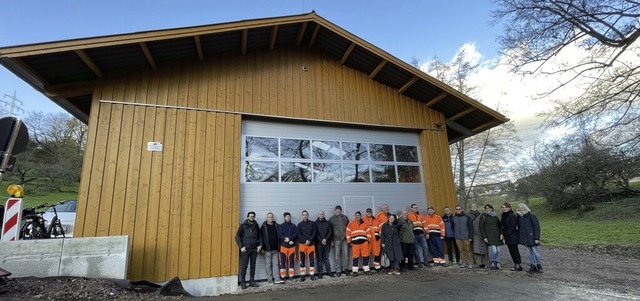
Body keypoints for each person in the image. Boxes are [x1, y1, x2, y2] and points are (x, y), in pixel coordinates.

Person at [235, 211, 262, 289]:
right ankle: (243, 282)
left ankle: (252, 281)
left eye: (253, 216)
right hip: (245, 249)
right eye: (250, 216)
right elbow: (237, 237)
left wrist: (260, 245)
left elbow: (260, 237)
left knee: (253, 265)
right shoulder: (243, 226)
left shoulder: (256, 226)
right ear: (247, 217)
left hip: (254, 249)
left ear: (254, 217)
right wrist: (241, 247)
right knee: (244, 266)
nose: (251, 217)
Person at [516, 203, 543, 273]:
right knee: (529, 252)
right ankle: (532, 265)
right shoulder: (519, 218)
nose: (521, 210)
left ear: (525, 208)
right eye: (519, 209)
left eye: (522, 208)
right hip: (525, 238)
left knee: (535, 252)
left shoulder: (531, 216)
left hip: (532, 237)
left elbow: (536, 227)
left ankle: (539, 265)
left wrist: (537, 238)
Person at [260, 212, 284, 285]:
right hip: (267, 250)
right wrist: (262, 248)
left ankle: (277, 279)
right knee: (268, 265)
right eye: (269, 217)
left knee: (276, 265)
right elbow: (261, 238)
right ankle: (270, 280)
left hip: (276, 249)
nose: (270, 218)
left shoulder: (276, 225)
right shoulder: (263, 227)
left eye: (271, 217)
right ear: (267, 218)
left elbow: (280, 236)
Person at [346, 211, 371, 276]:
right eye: (356, 215)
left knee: (365, 257)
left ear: (360, 216)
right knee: (355, 258)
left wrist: (368, 240)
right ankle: (355, 271)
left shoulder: (365, 223)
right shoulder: (351, 223)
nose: (357, 216)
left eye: (358, 215)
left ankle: (366, 270)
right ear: (355, 216)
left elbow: (368, 232)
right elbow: (348, 233)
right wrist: (349, 242)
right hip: (355, 244)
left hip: (364, 243)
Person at [480, 204, 504, 269]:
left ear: (492, 208)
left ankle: (498, 263)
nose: (488, 209)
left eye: (489, 208)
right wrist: (484, 237)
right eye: (486, 208)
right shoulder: (483, 216)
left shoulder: (496, 217)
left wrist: (501, 234)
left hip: (497, 235)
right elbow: (481, 227)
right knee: (494, 250)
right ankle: (493, 262)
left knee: (498, 250)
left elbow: (500, 226)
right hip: (489, 236)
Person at [329, 205, 350, 276]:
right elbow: (330, 231)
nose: (338, 211)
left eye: (339, 210)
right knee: (337, 255)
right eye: (336, 210)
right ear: (335, 211)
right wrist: (331, 241)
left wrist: (349, 238)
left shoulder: (345, 218)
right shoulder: (331, 219)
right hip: (336, 240)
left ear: (341, 210)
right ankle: (338, 270)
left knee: (346, 255)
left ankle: (346, 269)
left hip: (345, 239)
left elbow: (349, 228)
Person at [501, 202, 523, 271]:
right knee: (511, 250)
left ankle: (518, 265)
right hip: (507, 235)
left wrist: (507, 233)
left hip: (512, 235)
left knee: (514, 250)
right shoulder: (503, 215)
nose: (504, 209)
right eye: (503, 207)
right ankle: (515, 264)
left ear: (509, 207)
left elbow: (513, 226)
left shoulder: (512, 215)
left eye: (506, 207)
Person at [297, 210, 317, 281]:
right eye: (303, 215)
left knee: (312, 261)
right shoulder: (299, 225)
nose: (305, 216)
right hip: (302, 245)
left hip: (311, 245)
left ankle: (312, 275)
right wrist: (304, 241)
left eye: (306, 215)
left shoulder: (312, 224)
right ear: (302, 216)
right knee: (302, 261)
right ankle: (302, 276)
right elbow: (299, 235)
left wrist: (309, 240)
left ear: (308, 215)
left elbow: (314, 233)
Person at [278, 212, 298, 281]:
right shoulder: (281, 226)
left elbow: (296, 234)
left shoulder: (293, 226)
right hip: (283, 247)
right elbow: (280, 235)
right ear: (284, 218)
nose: (288, 218)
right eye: (286, 216)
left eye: (289, 216)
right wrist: (285, 239)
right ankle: (282, 276)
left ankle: (291, 276)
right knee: (282, 262)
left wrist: (290, 239)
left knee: (291, 262)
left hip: (292, 247)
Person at [315, 210, 335, 278]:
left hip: (327, 243)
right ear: (318, 215)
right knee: (320, 259)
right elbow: (316, 233)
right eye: (320, 214)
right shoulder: (315, 223)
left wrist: (325, 239)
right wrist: (321, 240)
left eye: (322, 214)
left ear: (324, 215)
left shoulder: (328, 223)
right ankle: (320, 273)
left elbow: (330, 232)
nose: (321, 215)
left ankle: (329, 272)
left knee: (326, 258)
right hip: (319, 244)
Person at [469, 203, 488, 268]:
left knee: (483, 249)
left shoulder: (481, 215)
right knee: (476, 250)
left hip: (481, 234)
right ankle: (479, 263)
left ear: (477, 207)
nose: (473, 207)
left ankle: (485, 263)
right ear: (470, 207)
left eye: (475, 206)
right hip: (474, 235)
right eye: (472, 206)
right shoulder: (468, 215)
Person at [363, 208, 382, 272]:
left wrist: (379, 236)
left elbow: (380, 229)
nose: (369, 213)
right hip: (367, 240)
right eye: (368, 212)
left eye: (370, 212)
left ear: (371, 213)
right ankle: (367, 268)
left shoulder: (376, 220)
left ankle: (377, 267)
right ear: (366, 212)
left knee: (377, 253)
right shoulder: (363, 220)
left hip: (376, 240)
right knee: (366, 254)